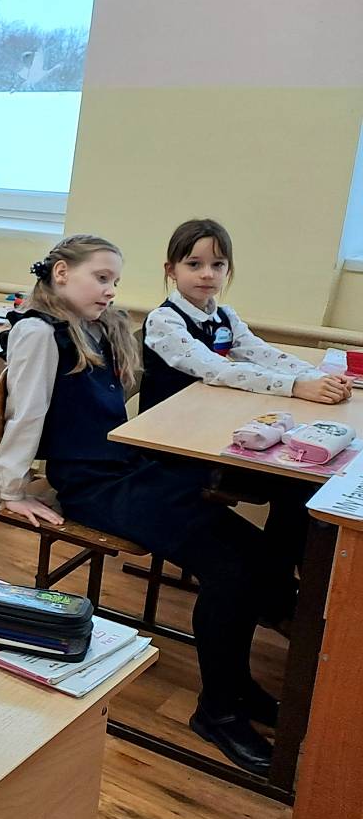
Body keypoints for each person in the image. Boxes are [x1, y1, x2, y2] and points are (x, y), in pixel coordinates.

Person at [0, 234, 295, 776]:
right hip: (91, 484)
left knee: (260, 555)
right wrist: (12, 490)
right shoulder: (38, 332)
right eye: (100, 278)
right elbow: (27, 414)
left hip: (127, 465)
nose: (111, 290)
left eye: (114, 280)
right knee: (230, 568)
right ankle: (218, 711)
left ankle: (240, 685)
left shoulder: (98, 327)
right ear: (61, 273)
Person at [141, 217, 342, 561]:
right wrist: (296, 386)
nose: (207, 274)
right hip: (176, 446)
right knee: (294, 486)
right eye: (194, 264)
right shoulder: (164, 321)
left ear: (228, 270)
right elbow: (216, 369)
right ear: (171, 270)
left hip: (212, 430)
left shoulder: (224, 316)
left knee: (302, 484)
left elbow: (261, 353)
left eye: (217, 265)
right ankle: (275, 578)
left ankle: (280, 576)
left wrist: (316, 378)